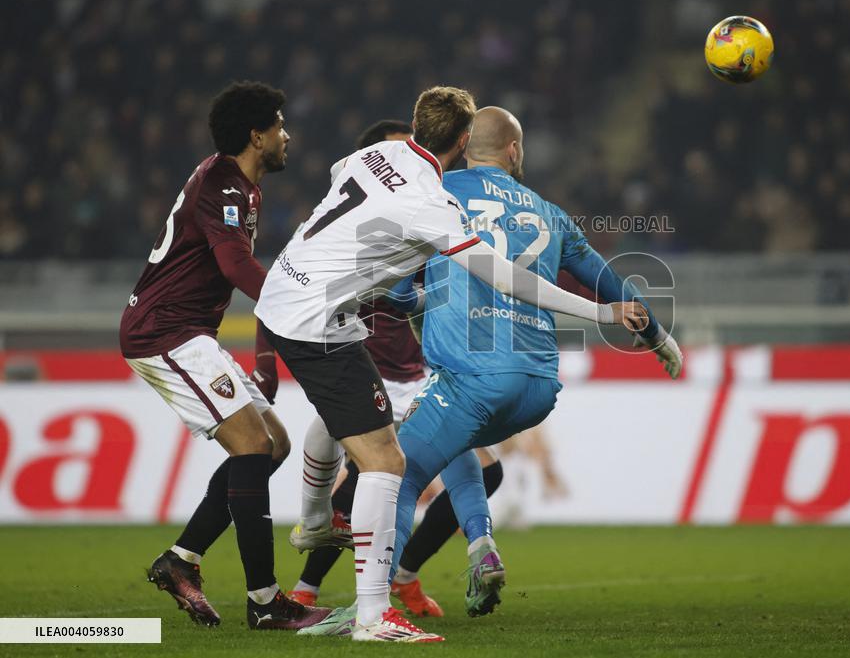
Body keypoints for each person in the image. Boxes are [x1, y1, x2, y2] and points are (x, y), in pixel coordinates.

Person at [254, 87, 645, 643]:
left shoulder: (370, 157)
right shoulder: (432, 205)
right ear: (463, 142)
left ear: (415, 124)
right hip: (319, 322)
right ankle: (368, 612)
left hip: (291, 295)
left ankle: (319, 528)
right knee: (388, 464)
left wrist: (382, 271)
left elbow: (345, 177)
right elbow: (507, 277)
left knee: (364, 442)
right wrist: (599, 310)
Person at [121, 82, 331, 630]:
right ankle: (264, 602)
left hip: (190, 332)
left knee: (271, 445)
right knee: (254, 443)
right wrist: (299, 311)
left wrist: (268, 347)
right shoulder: (223, 184)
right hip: (164, 332)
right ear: (257, 135)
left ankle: (181, 559)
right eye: (280, 126)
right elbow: (238, 268)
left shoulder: (237, 184)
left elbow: (238, 270)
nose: (288, 136)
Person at [286, 120, 505, 619]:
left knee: (483, 472)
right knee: (367, 477)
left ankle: (403, 573)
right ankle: (309, 587)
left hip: (423, 375)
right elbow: (291, 280)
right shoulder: (354, 223)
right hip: (369, 372)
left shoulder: (425, 214)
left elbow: (442, 288)